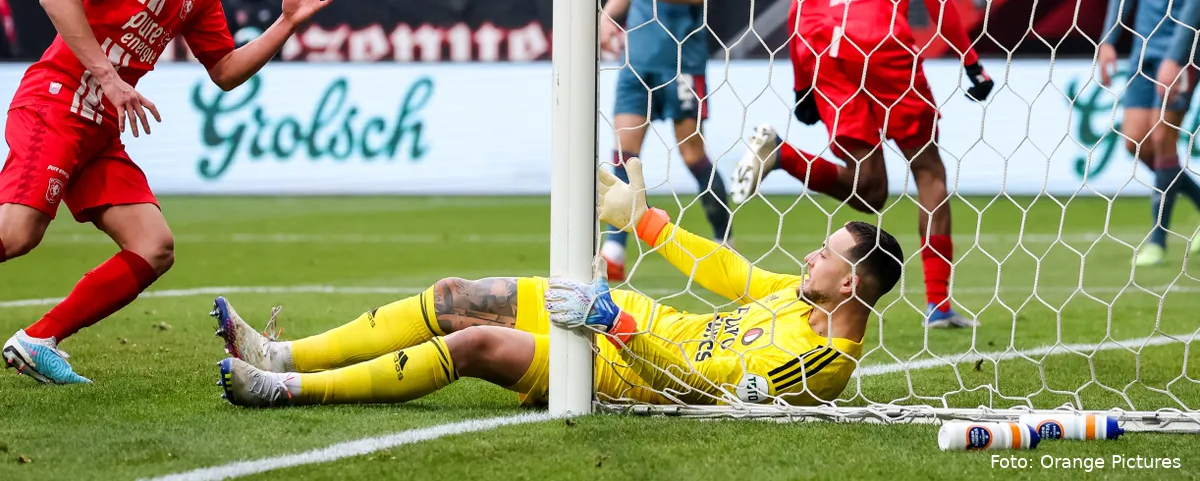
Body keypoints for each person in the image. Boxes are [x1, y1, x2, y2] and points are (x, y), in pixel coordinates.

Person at [0, 0, 333, 384]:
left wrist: (285, 25)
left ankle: (39, 339)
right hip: (55, 104)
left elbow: (225, 71)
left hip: (99, 131)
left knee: (154, 247)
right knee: (18, 234)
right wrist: (109, 78)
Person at [213, 157, 903, 409]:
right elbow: (733, 272)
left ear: (851, 285)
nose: (808, 257)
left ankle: (286, 389)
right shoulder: (798, 297)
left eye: (825, 254)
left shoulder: (819, 364)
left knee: (475, 345)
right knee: (455, 295)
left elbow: (698, 383)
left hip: (625, 372)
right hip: (624, 315)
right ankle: (282, 352)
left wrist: (614, 327)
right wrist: (647, 221)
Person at [731, 0, 993, 329]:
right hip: (881, 40)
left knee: (870, 191)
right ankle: (938, 305)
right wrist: (969, 60)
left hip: (824, 44)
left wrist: (802, 82)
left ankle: (783, 155)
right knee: (928, 170)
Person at [599, 0, 729, 281]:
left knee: (691, 152)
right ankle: (614, 250)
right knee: (623, 153)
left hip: (681, 61)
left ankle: (725, 239)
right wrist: (605, 19)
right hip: (637, 59)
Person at [1098, 0, 1200, 267]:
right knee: (1134, 143)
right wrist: (1108, 40)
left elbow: (1195, 0)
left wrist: (1177, 57)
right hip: (1142, 46)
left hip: (1183, 49)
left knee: (1163, 139)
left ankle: (1157, 240)